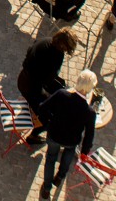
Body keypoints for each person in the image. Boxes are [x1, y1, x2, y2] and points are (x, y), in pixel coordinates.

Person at [38, 70, 99, 199]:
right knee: (68, 156)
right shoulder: (90, 112)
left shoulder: (61, 95)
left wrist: (49, 124)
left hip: (54, 135)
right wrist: (84, 152)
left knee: (50, 159)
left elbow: (43, 108)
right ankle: (60, 177)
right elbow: (89, 135)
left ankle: (46, 189)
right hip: (72, 140)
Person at [17, 28, 78, 143]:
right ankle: (33, 136)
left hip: (22, 79)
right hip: (31, 88)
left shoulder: (45, 40)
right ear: (62, 45)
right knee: (50, 117)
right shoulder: (57, 55)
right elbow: (49, 79)